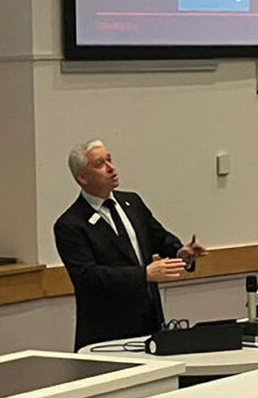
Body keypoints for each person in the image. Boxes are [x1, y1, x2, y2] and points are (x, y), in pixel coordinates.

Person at [53, 139, 207, 351]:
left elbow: (158, 237)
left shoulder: (132, 202)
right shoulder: (70, 224)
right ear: (82, 177)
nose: (111, 168)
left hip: (150, 322)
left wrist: (181, 252)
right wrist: (143, 274)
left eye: (110, 160)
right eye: (100, 164)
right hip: (107, 332)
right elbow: (88, 277)